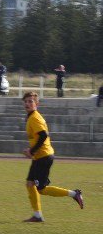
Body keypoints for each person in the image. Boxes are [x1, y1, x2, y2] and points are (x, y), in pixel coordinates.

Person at [20, 92, 84, 222]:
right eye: (26, 101)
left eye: (30, 101)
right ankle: (37, 215)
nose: (27, 104)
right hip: (40, 156)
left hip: (43, 156)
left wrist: (31, 151)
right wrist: (32, 152)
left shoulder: (35, 118)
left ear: (36, 104)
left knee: (41, 189)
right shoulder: (32, 117)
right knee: (30, 183)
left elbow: (43, 135)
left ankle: (74, 194)